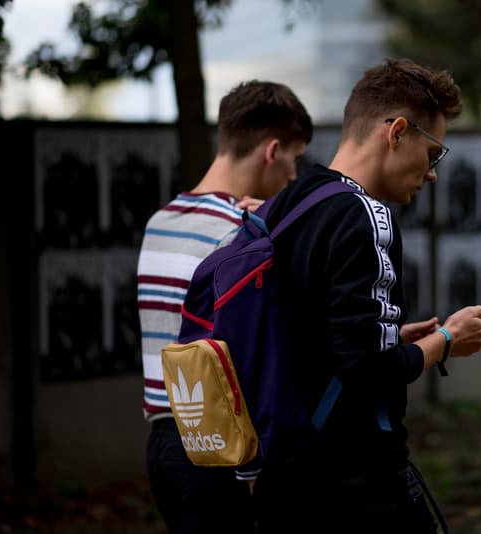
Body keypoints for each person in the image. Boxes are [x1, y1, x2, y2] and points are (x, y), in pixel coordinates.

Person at [252, 58, 481, 533]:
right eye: (434, 154)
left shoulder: (289, 202)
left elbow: (306, 332)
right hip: (357, 482)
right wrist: (446, 340)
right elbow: (365, 372)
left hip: (281, 478)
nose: (431, 175)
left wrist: (393, 336)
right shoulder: (365, 216)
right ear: (398, 132)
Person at [136, 79, 312, 533]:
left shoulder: (160, 220)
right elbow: (247, 356)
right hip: (222, 451)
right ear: (272, 150)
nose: (293, 176)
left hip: (164, 446)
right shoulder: (241, 233)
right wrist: (251, 471)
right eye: (294, 158)